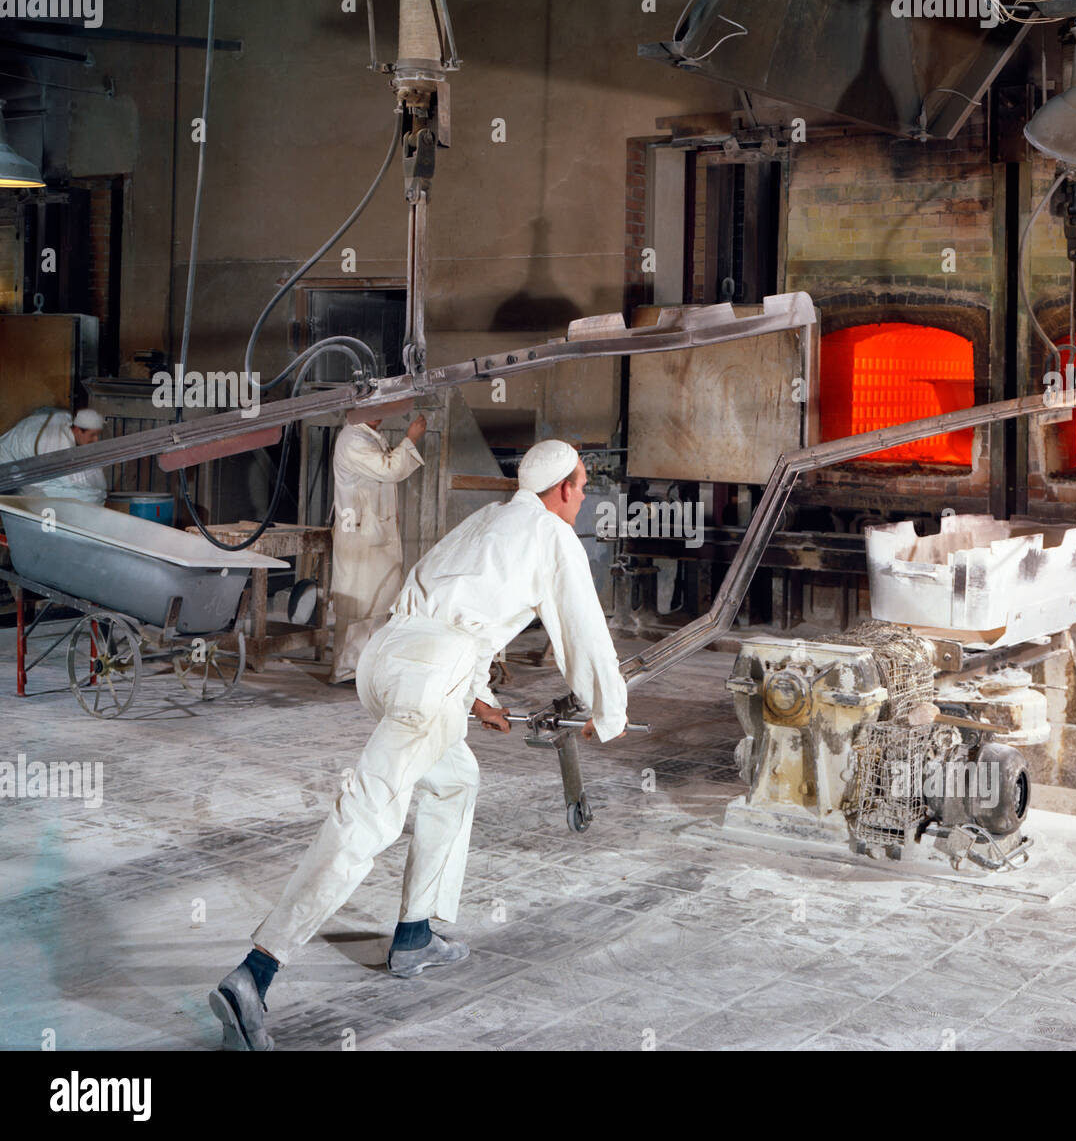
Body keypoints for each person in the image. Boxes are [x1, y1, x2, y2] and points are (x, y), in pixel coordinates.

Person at [209, 439, 627, 1051]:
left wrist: (476, 697)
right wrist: (607, 709)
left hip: (388, 661)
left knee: (454, 779)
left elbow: (450, 608)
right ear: (562, 488)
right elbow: (581, 627)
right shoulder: (551, 535)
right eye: (583, 485)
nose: (585, 496)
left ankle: (413, 934)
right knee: (368, 815)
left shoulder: (487, 520)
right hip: (432, 675)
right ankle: (255, 974)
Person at [328, 413, 427, 683]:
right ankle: (347, 670)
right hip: (359, 535)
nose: (381, 415)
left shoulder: (367, 435)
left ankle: (368, 668)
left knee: (378, 602)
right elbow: (390, 469)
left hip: (372, 532)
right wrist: (411, 439)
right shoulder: (353, 440)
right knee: (358, 605)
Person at [0, 407, 107, 504]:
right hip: (4, 466)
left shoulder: (65, 424)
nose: (96, 440)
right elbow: (71, 480)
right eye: (92, 435)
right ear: (78, 430)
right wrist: (98, 492)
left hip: (17, 464)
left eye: (97, 435)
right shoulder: (56, 444)